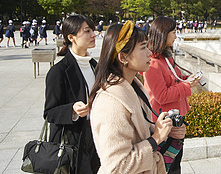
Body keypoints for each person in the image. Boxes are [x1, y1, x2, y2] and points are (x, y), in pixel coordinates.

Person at [88, 21, 176, 173]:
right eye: (143, 47)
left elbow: (139, 135)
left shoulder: (134, 86)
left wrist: (168, 132)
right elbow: (117, 166)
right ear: (123, 57)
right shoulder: (111, 102)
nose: (149, 52)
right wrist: (155, 139)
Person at [143, 16, 202, 174]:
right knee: (166, 166)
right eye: (174, 32)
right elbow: (161, 95)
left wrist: (186, 80)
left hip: (175, 118)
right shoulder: (153, 63)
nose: (176, 36)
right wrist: (187, 85)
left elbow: (174, 80)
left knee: (175, 164)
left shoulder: (165, 57)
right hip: (164, 122)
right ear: (163, 34)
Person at [44, 15, 100, 174]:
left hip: (96, 136)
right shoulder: (59, 71)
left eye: (93, 30)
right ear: (71, 37)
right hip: (73, 142)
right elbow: (49, 113)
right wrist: (72, 110)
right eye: (87, 31)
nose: (93, 35)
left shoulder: (94, 66)